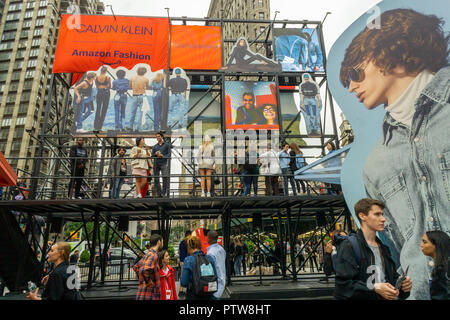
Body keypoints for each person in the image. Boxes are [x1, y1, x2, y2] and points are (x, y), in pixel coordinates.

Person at [340, 8, 449, 300]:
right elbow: (404, 249)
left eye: (354, 73)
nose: (351, 86)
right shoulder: (375, 165)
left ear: (389, 51)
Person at [334, 198, 412, 300]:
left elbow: (391, 281)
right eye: (377, 214)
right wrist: (374, 287)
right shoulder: (349, 245)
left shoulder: (384, 248)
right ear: (362, 216)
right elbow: (343, 286)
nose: (383, 219)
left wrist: (403, 285)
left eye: (382, 214)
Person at [180, 235, 217, 300]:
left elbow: (184, 282)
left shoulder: (189, 260)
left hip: (194, 295)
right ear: (200, 245)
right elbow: (216, 277)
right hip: (209, 294)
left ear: (189, 247)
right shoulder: (210, 258)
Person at [420, 231, 450, 300]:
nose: (421, 245)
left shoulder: (443, 270)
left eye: (425, 242)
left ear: (436, 244)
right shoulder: (442, 266)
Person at [133, 233, 163, 300]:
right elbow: (144, 270)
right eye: (162, 241)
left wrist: (142, 280)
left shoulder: (148, 254)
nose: (162, 244)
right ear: (159, 242)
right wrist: (149, 283)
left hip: (143, 294)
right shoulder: (153, 255)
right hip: (149, 295)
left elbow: (136, 267)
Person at [206, 231, 226, 299]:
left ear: (208, 239)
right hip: (221, 285)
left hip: (214, 288)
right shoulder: (222, 249)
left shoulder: (210, 253)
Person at [128, 67, 149, 131]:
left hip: (134, 96)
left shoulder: (132, 78)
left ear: (137, 71)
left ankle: (130, 127)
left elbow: (130, 86)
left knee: (132, 113)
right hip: (142, 96)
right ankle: (137, 128)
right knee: (141, 113)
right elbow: (147, 88)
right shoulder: (146, 79)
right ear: (144, 72)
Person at [152, 132, 171, 197]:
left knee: (165, 177)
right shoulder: (155, 146)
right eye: (157, 136)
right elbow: (152, 156)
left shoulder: (166, 145)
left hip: (163, 163)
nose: (158, 137)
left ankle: (164, 192)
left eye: (159, 136)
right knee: (156, 179)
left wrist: (163, 156)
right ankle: (159, 193)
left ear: (162, 137)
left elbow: (169, 154)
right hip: (156, 164)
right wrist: (156, 154)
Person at [94, 66, 111, 130]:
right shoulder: (108, 77)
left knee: (98, 109)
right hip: (106, 93)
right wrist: (105, 85)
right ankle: (99, 127)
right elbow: (109, 86)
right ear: (106, 71)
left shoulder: (96, 77)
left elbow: (97, 86)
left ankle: (95, 126)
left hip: (99, 92)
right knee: (104, 110)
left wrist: (101, 86)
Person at [178, 230, 191, 296]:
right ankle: (185, 290)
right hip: (188, 260)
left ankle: (181, 290)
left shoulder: (181, 242)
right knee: (190, 275)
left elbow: (179, 252)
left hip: (182, 261)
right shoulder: (190, 242)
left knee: (183, 275)